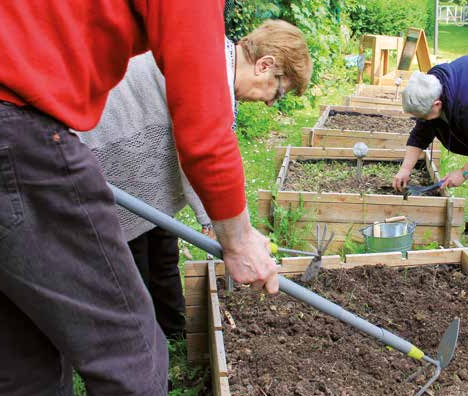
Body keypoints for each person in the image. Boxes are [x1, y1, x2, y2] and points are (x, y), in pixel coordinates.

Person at [0, 0, 280, 396]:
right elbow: (205, 128)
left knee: (21, 360)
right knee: (131, 349)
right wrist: (238, 239)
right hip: (16, 130)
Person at [80, 20, 312, 338]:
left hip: (119, 156)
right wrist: (223, 227)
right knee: (129, 270)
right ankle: (141, 355)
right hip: (104, 151)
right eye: (279, 90)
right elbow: (201, 154)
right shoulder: (210, 70)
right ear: (264, 65)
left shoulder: (212, 55)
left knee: (160, 236)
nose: (272, 101)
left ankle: (172, 334)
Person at [392, 55, 468, 259]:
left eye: (424, 116)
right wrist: (405, 169)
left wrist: (463, 172)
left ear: (438, 104)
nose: (422, 121)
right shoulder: (430, 89)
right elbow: (421, 133)